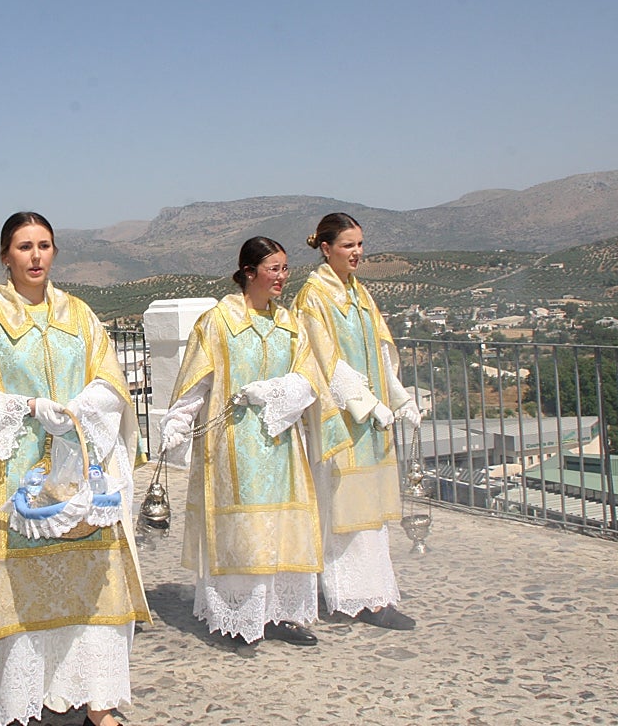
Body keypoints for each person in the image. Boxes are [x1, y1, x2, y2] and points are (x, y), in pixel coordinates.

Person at [0, 211, 151, 726]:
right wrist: (29, 408)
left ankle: (97, 699)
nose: (35, 256)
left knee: (91, 584)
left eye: (44, 245)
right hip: (12, 474)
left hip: (77, 475)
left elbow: (111, 380)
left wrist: (83, 407)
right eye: (24, 247)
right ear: (5, 256)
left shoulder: (81, 315)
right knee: (15, 590)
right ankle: (16, 696)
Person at [159, 237, 348, 647]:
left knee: (278, 528)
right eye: (274, 268)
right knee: (242, 532)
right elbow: (197, 380)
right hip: (233, 446)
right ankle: (240, 616)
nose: (283, 276)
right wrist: (177, 422)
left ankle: (278, 613)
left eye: (285, 268)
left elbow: (310, 378)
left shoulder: (289, 324)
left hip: (281, 445)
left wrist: (278, 391)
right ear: (249, 272)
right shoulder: (218, 322)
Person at [293, 213, 422, 631]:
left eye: (361, 244)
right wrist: (365, 403)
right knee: (345, 509)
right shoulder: (315, 297)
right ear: (326, 249)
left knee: (371, 509)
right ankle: (353, 595)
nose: (358, 253)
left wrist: (399, 397)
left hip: (370, 423)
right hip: (342, 423)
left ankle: (375, 591)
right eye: (349, 245)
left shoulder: (359, 293)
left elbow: (381, 350)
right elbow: (325, 361)